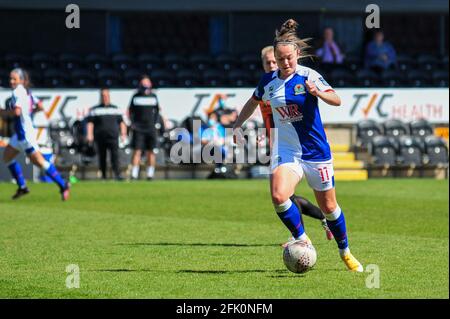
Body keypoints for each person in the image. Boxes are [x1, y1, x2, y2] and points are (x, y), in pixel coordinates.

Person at [233, 19, 363, 272]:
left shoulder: (309, 76)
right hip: (287, 150)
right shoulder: (268, 81)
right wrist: (238, 123)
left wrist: (318, 93)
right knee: (279, 196)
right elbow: (252, 101)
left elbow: (336, 99)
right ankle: (302, 238)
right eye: (280, 59)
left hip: (316, 152)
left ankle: (345, 252)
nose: (285, 63)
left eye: (289, 58)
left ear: (298, 54)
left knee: (329, 207)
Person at [260, 45, 333, 241]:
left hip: (299, 148)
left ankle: (301, 237)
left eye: (275, 61)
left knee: (286, 195)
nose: (275, 64)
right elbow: (270, 120)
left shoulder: (297, 81)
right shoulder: (267, 86)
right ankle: (305, 232)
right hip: (278, 146)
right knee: (283, 196)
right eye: (270, 62)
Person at [0, 68, 70, 200]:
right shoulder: (27, 93)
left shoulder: (17, 91)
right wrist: (30, 112)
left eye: (14, 79)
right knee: (7, 157)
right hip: (20, 134)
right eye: (10, 78)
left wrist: (2, 112)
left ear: (21, 80)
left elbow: (16, 112)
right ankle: (22, 187)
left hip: (26, 135)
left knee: (40, 162)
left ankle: (63, 184)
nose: (11, 81)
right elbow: (40, 106)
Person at [86, 88, 127, 180]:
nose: (105, 98)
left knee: (115, 156)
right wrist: (89, 134)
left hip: (113, 137)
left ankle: (117, 175)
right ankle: (103, 176)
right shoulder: (95, 109)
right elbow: (90, 123)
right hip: (100, 137)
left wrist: (123, 134)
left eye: (106, 96)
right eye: (103, 96)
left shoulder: (115, 109)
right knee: (102, 157)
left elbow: (121, 122)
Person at [128, 75, 160, 180]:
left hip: (150, 128)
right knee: (137, 151)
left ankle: (150, 174)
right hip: (139, 128)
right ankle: (134, 174)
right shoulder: (136, 96)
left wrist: (155, 123)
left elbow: (158, 111)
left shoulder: (153, 97)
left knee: (151, 151)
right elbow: (130, 111)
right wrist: (133, 123)